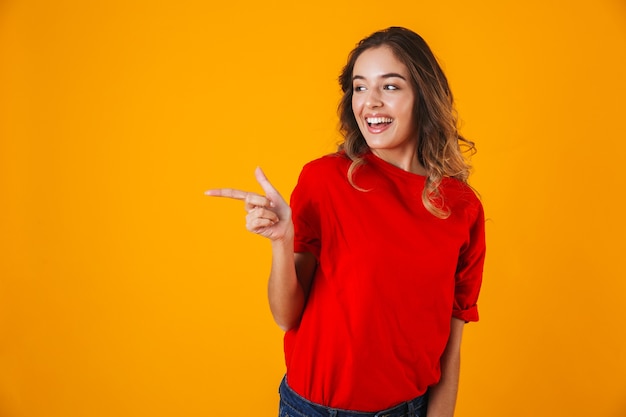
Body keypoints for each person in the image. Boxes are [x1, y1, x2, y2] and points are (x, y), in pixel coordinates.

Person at [206, 26, 485, 417]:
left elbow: (451, 345)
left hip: (410, 410)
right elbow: (286, 317)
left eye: (389, 87)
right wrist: (280, 242)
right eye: (359, 87)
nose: (370, 102)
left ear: (422, 95)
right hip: (314, 410)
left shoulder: (462, 207)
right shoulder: (324, 181)